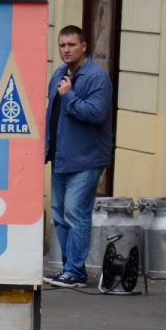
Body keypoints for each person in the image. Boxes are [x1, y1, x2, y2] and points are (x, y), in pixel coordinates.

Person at [43, 25, 113, 289]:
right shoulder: (59, 74)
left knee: (75, 213)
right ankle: (69, 269)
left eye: (71, 45)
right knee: (59, 215)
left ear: (84, 46)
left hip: (87, 159)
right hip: (61, 157)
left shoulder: (97, 77)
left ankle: (75, 271)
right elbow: (52, 116)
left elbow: (96, 114)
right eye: (62, 45)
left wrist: (69, 96)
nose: (65, 50)